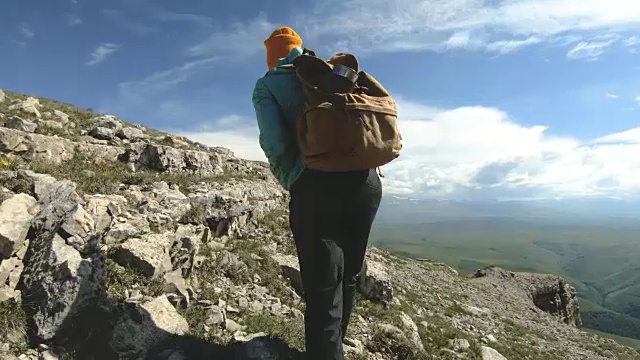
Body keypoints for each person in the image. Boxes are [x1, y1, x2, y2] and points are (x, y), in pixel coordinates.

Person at [252, 26, 383, 359]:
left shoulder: (268, 84)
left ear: (271, 55)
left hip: (316, 186)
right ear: (299, 49)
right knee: (349, 273)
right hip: (366, 184)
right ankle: (337, 344)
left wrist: (293, 178)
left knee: (323, 290)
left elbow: (275, 143)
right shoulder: (333, 74)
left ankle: (328, 351)